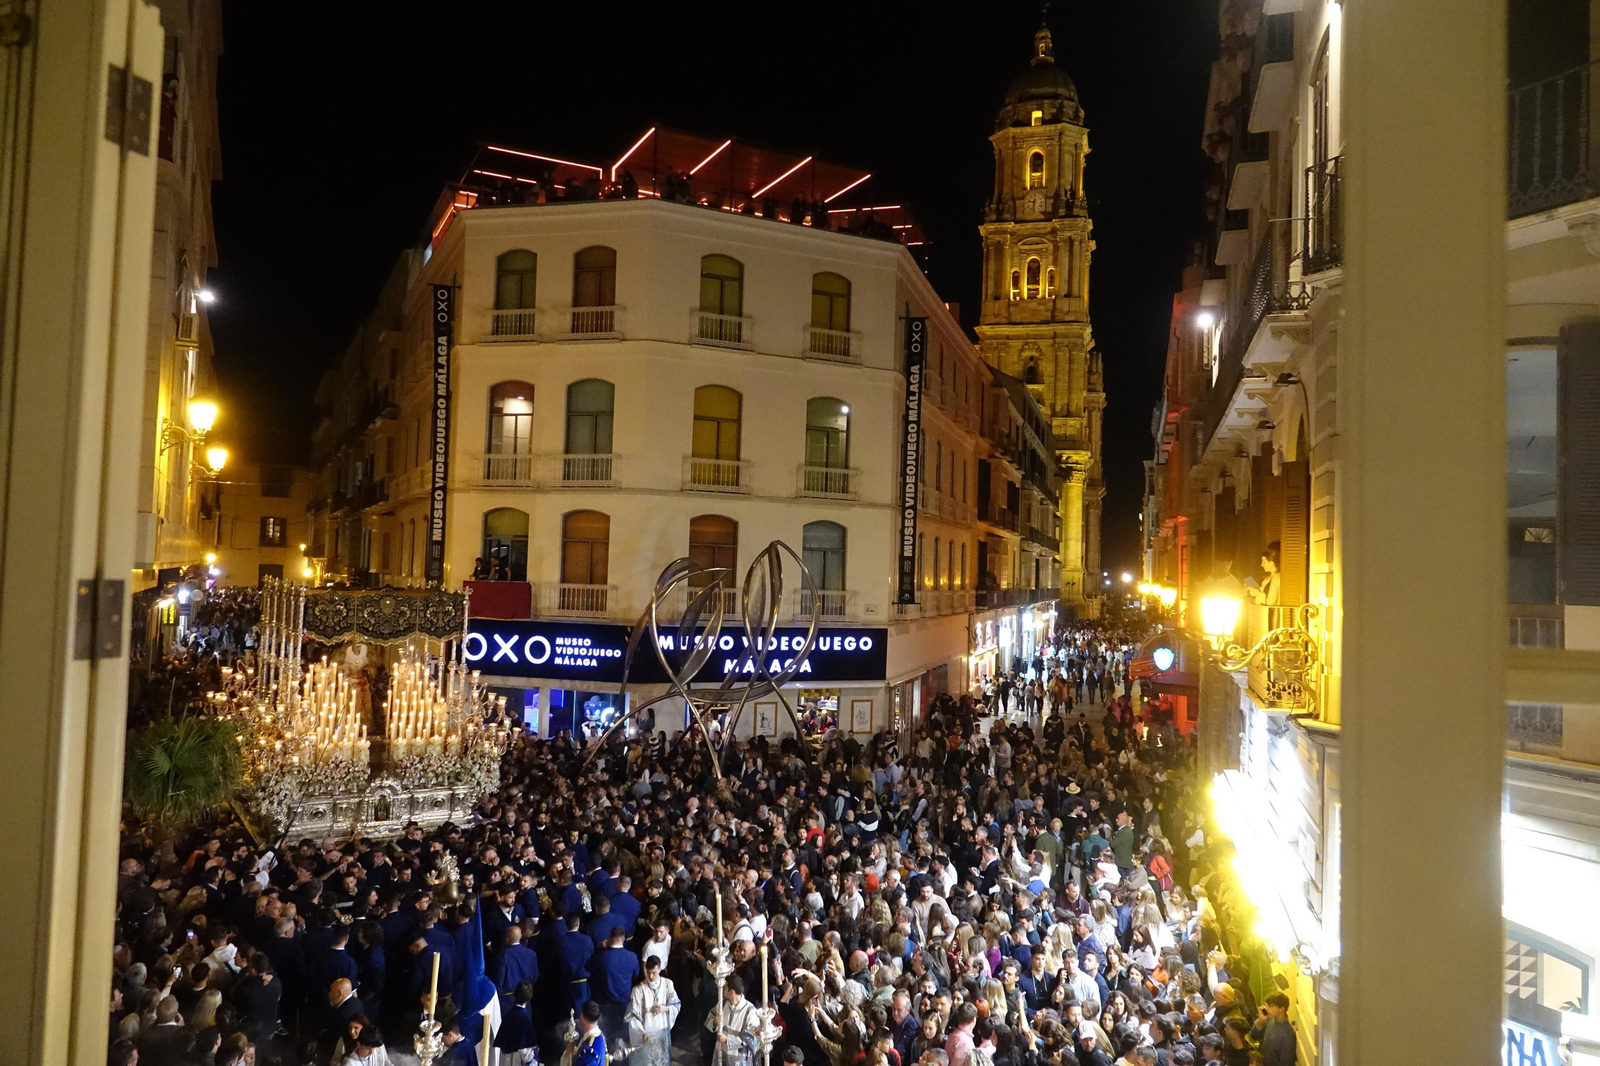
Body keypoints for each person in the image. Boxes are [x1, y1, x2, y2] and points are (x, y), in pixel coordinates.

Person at [627, 954, 681, 1066]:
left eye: (654, 973)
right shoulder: (638, 990)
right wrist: (641, 1033)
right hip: (646, 1035)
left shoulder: (667, 985)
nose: (651, 976)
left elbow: (677, 1005)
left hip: (662, 1034)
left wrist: (665, 1008)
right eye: (648, 972)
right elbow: (633, 1016)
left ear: (660, 969)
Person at [1250, 993, 1295, 1066]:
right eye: (1267, 1005)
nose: (1267, 1009)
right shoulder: (1269, 1020)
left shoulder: (1288, 1034)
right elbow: (1254, 1036)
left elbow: (1286, 1062)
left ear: (1282, 1009)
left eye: (1271, 1006)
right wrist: (1260, 1021)